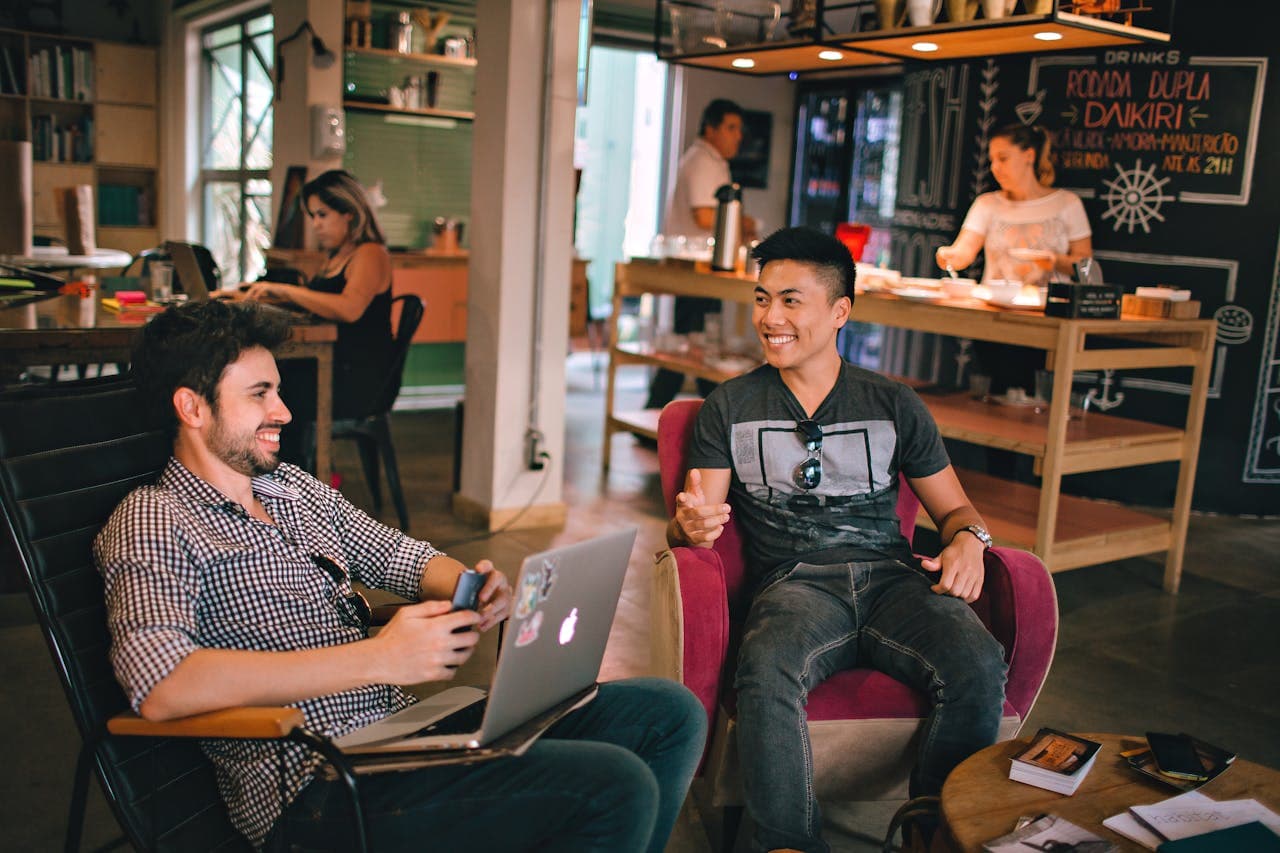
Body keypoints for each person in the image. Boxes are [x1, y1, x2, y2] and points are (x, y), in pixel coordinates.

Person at [94, 299, 707, 852]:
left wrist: (471, 587)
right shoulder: (154, 518)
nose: (282, 409)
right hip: (318, 790)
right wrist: (378, 659)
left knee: (668, 713)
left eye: (277, 390)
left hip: (403, 738)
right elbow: (161, 684)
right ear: (191, 406)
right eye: (259, 394)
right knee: (613, 786)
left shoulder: (292, 491)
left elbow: (405, 558)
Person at [668, 227, 1007, 853]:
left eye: (791, 301)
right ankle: (787, 845)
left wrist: (970, 541)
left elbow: (956, 509)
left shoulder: (893, 403)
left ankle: (932, 837)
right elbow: (697, 515)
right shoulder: (730, 405)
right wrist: (688, 527)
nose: (770, 318)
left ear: (839, 311)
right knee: (766, 667)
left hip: (893, 580)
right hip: (794, 585)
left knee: (978, 662)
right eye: (762, 298)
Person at [237, 169, 395, 467]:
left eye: (322, 214)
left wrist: (285, 290)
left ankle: (289, 480)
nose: (316, 224)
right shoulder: (336, 256)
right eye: (313, 216)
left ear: (348, 212)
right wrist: (262, 295)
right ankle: (273, 477)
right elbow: (320, 303)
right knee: (265, 383)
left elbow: (349, 308)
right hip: (333, 365)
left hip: (356, 378)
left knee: (272, 393)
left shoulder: (371, 254)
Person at [935, 123, 1093, 398]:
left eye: (1003, 158)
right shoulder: (987, 204)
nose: (995, 167)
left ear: (1029, 156)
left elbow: (1086, 265)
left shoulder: (1067, 204)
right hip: (995, 316)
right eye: (992, 160)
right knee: (993, 398)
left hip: (1048, 319)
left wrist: (1054, 261)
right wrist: (948, 255)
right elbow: (963, 253)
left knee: (1039, 400)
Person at [643, 99, 758, 416]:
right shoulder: (702, 161)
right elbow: (705, 215)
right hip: (696, 269)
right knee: (694, 344)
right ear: (711, 129)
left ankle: (685, 413)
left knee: (695, 343)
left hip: (705, 269)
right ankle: (691, 414)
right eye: (731, 128)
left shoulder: (711, 161)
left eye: (739, 129)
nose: (738, 136)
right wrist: (743, 222)